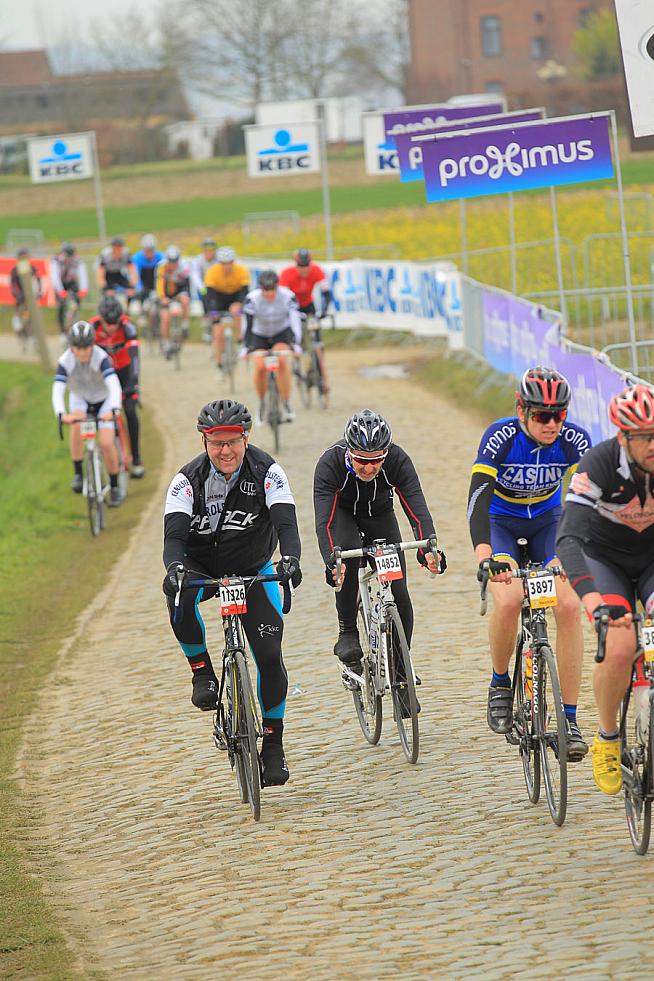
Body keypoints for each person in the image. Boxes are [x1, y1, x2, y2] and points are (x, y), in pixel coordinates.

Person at [162, 399, 302, 786]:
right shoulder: (186, 480)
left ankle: (273, 744)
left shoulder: (268, 472)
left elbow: (287, 525)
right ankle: (202, 672)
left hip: (252, 568)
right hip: (202, 566)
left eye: (233, 442)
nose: (225, 451)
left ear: (246, 438)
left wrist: (290, 559)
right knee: (177, 594)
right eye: (216, 443)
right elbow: (173, 539)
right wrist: (174, 570)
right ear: (204, 442)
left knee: (270, 657)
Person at [467, 366, 592, 761]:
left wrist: (578, 551)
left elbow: (588, 503)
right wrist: (484, 555)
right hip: (501, 523)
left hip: (549, 523)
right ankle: (500, 682)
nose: (551, 424)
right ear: (521, 410)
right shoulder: (500, 436)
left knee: (568, 605)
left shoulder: (574, 440)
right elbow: (478, 498)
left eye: (559, 415)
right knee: (508, 600)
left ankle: (569, 720)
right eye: (541, 415)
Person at [313, 409, 446, 715]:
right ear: (349, 451)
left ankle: (400, 675)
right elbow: (325, 521)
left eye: (377, 460)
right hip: (343, 517)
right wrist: (332, 560)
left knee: (399, 593)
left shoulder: (398, 460)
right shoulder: (330, 464)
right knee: (347, 552)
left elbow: (417, 507)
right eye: (362, 460)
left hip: (380, 516)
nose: (370, 467)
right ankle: (348, 630)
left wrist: (428, 548)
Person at [556, 383, 654, 795]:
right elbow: (568, 540)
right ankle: (608, 736)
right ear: (623, 437)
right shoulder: (597, 465)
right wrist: (594, 601)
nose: (653, 445)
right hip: (606, 561)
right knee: (618, 648)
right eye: (645, 437)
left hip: (651, 562)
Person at [51, 320, 124, 507]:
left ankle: (115, 486)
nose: (82, 352)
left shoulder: (101, 357)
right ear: (71, 347)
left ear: (93, 345)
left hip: (104, 399)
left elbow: (114, 384)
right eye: (78, 348)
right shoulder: (65, 361)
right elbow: (58, 389)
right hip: (81, 399)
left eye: (86, 347)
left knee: (106, 443)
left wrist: (114, 409)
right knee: (76, 426)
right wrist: (61, 413)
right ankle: (78, 473)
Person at [90, 295, 145, 478]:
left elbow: (135, 357)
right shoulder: (92, 328)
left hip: (125, 373)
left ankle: (136, 459)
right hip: (102, 376)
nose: (112, 327)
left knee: (130, 411)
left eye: (115, 323)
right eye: (108, 323)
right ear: (101, 318)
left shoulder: (128, 326)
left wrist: (134, 382)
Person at [242, 270, 302, 424]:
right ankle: (262, 402)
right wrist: (246, 347)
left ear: (277, 287)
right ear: (260, 288)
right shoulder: (252, 299)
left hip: (281, 333)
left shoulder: (288, 296)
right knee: (260, 367)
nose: (269, 294)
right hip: (259, 334)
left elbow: (295, 320)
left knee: (281, 361)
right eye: (265, 290)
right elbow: (247, 324)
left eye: (272, 290)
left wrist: (296, 344)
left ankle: (286, 402)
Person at [280, 248, 331, 395]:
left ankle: (317, 372)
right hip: (292, 306)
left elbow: (326, 293)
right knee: (296, 336)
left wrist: (324, 310)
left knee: (317, 341)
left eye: (306, 265)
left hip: (308, 305)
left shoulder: (316, 270)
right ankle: (297, 354)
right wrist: (291, 314)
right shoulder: (287, 273)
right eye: (301, 266)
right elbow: (283, 298)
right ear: (296, 264)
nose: (304, 269)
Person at [203, 246, 250, 372]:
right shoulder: (212, 272)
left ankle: (240, 339)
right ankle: (219, 363)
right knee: (217, 332)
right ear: (220, 263)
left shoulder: (242, 270)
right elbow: (209, 295)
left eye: (229, 263)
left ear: (233, 262)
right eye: (224, 264)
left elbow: (244, 292)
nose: (227, 266)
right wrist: (212, 311)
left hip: (235, 296)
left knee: (238, 312)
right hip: (218, 298)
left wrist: (239, 304)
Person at [155, 245, 191, 354]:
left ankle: (185, 324)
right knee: (165, 317)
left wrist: (185, 296)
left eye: (175, 261)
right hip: (165, 292)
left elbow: (187, 285)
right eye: (171, 261)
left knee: (185, 300)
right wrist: (162, 297)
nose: (173, 264)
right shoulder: (161, 266)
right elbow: (159, 283)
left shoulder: (183, 266)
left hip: (179, 290)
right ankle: (165, 341)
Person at [50, 242, 89, 334]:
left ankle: (74, 324)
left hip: (71, 283)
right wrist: (60, 291)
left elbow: (83, 275)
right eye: (68, 256)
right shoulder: (56, 261)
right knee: (61, 306)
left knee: (76, 303)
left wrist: (84, 289)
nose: (69, 258)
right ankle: (62, 331)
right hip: (61, 283)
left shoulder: (78, 260)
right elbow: (55, 277)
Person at [10, 247, 42, 333]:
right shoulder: (14, 270)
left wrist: (39, 291)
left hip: (31, 293)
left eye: (26, 257)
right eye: (22, 258)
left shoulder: (33, 269)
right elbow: (13, 284)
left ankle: (34, 327)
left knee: (34, 309)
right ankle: (17, 318)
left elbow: (38, 282)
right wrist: (17, 293)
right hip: (20, 293)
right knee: (18, 304)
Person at [190, 237, 218, 329]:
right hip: (204, 286)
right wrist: (202, 287)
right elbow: (195, 276)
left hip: (216, 286)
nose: (209, 253)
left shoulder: (218, 260)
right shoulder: (198, 260)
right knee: (205, 295)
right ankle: (206, 316)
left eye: (211, 250)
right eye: (207, 251)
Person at [132, 234, 163, 298]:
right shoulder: (136, 258)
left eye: (151, 250)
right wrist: (139, 289)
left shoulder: (161, 257)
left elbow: (163, 275)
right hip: (143, 283)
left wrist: (160, 291)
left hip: (156, 282)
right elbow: (136, 276)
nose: (149, 253)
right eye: (147, 250)